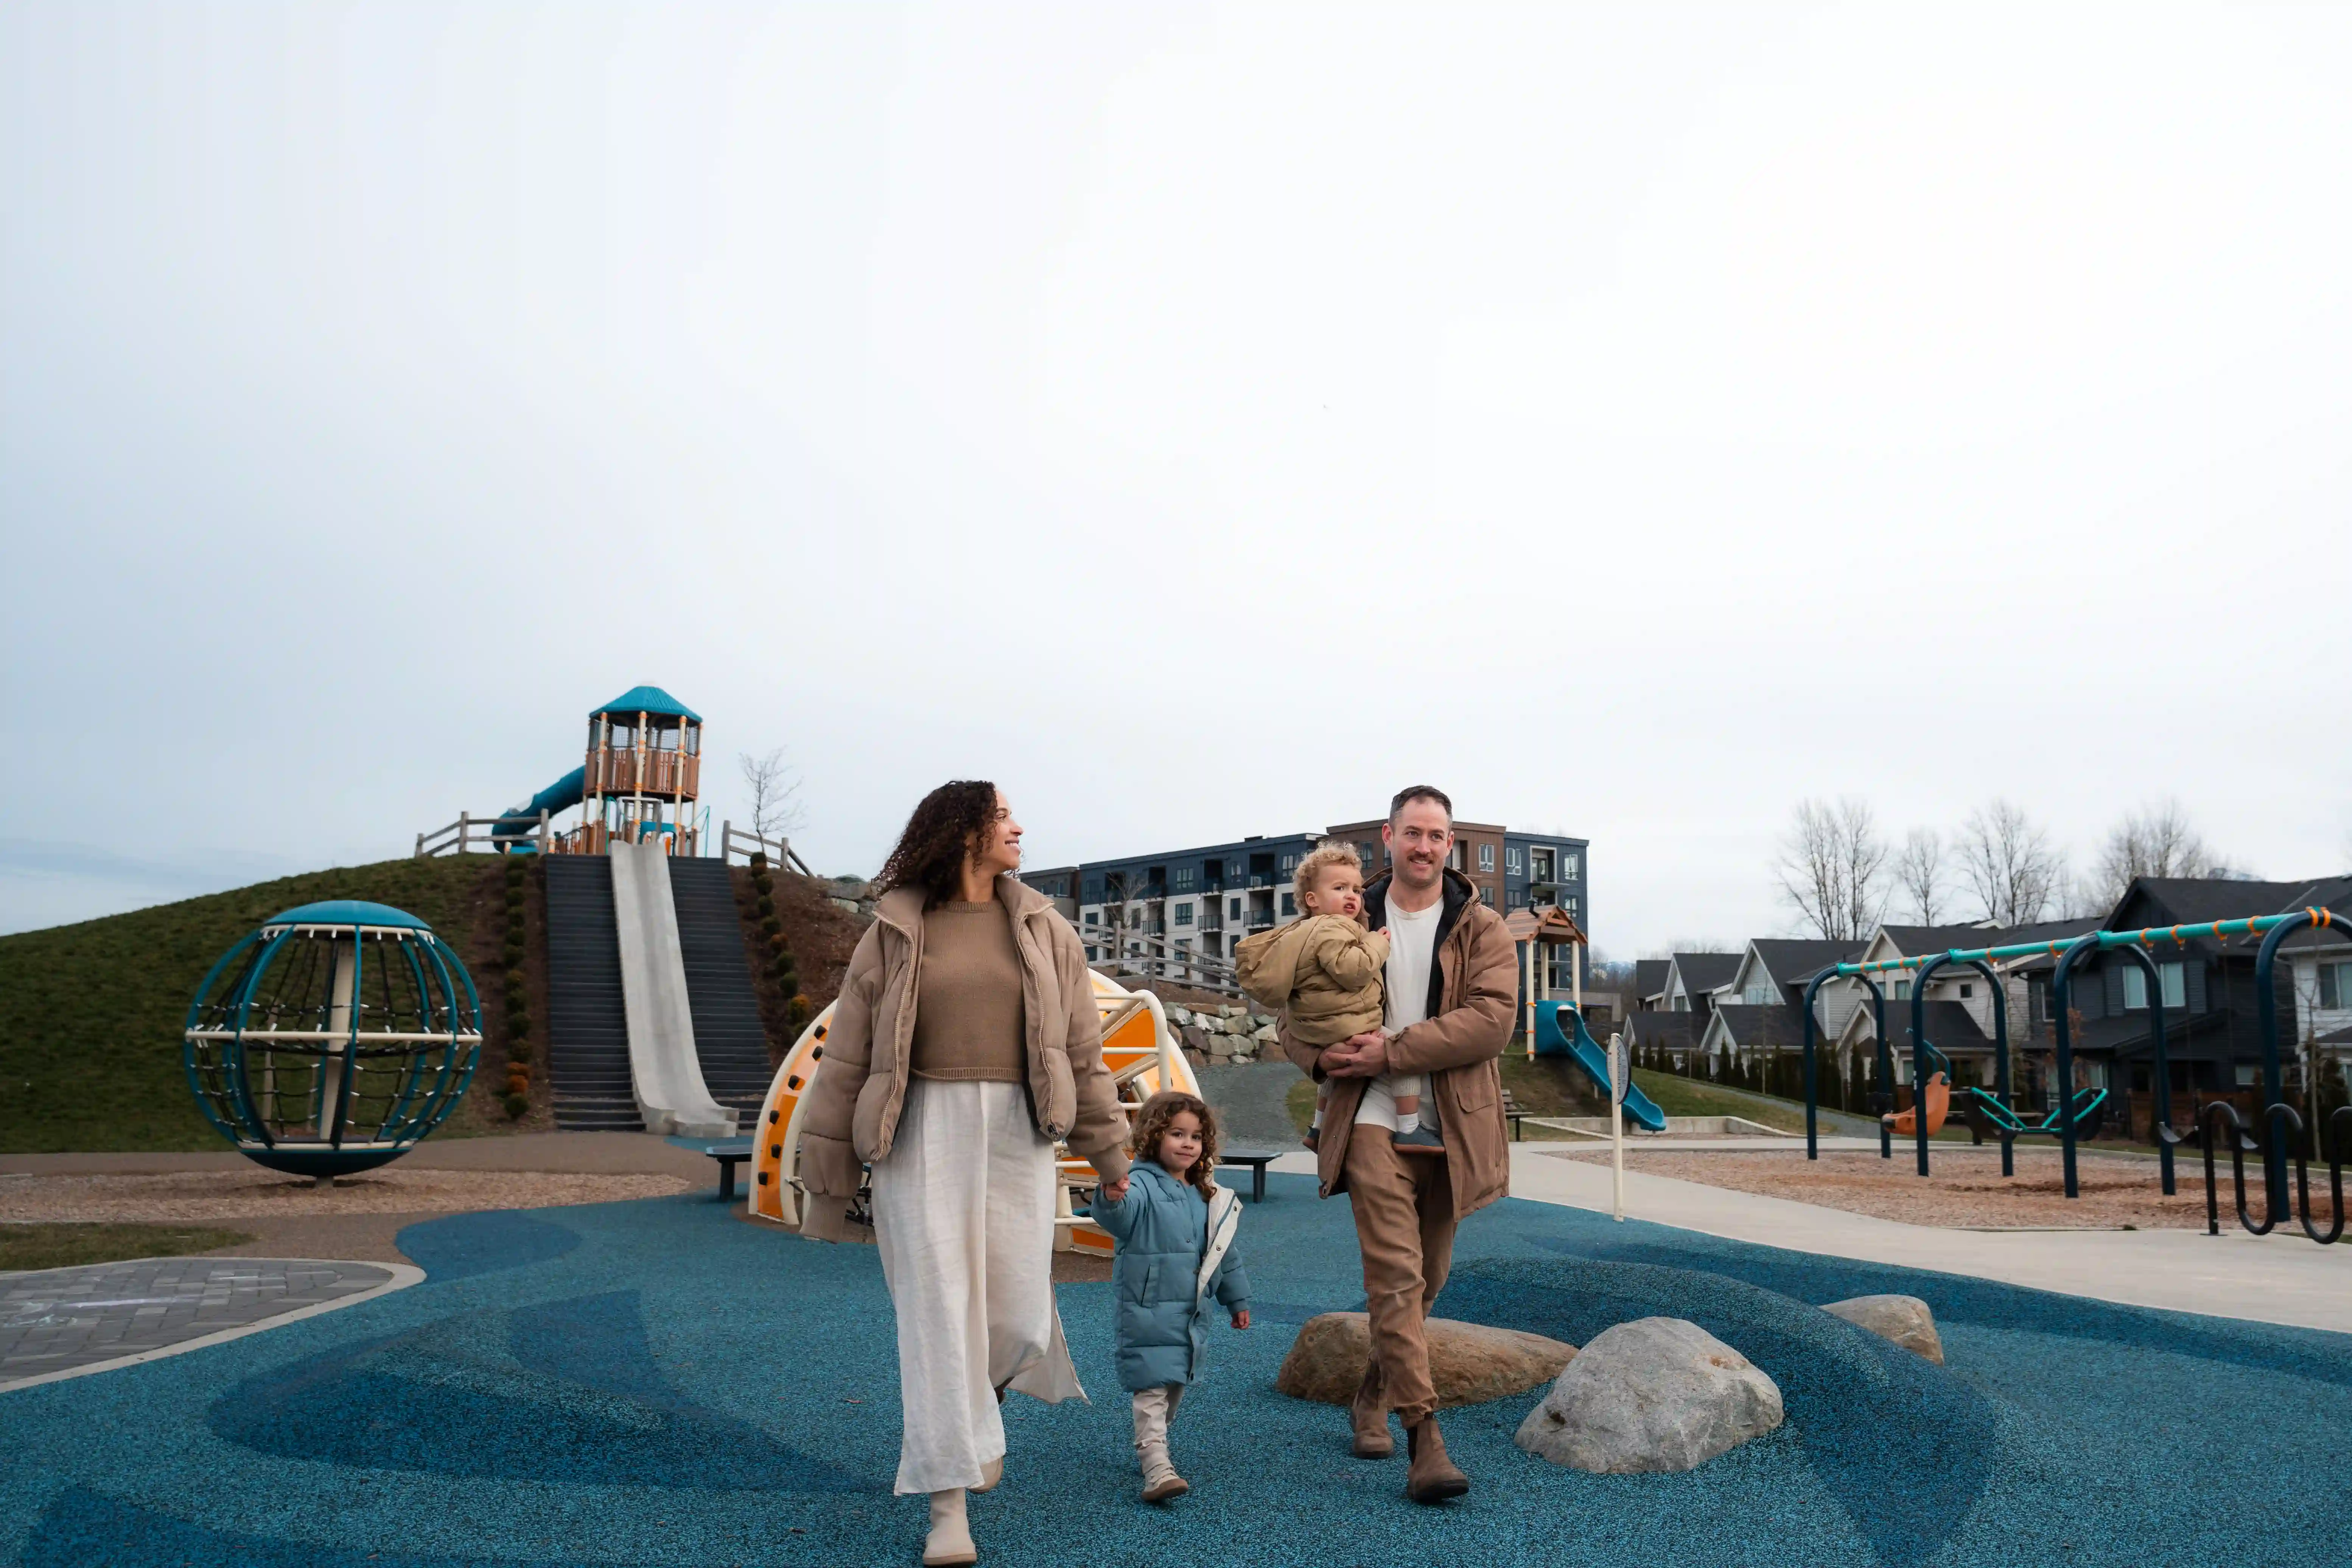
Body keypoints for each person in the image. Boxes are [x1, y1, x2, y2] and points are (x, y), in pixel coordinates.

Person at [797, 780, 1133, 1568]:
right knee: (937, 1316)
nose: (1019, 826)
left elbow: (1083, 1051)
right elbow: (847, 1055)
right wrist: (830, 1176)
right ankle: (948, 1506)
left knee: (1016, 1316)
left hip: (1020, 1130)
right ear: (963, 830)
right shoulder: (895, 928)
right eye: (1003, 815)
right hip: (920, 1133)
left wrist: (1112, 1153)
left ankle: (975, 1416)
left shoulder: (1045, 928)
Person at [1279, 785, 1516, 1504]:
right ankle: (1425, 1436)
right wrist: (1322, 1060)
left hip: (1448, 1122)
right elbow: (1294, 1016)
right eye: (1411, 832)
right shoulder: (1344, 913)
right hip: (1368, 1115)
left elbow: (1492, 1022)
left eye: (1436, 835)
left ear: (1451, 845)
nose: (1423, 845)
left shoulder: (1482, 928)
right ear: (1389, 836)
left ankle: (1373, 1392)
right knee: (1393, 1269)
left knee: (1430, 1273)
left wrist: (1394, 1050)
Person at [1088, 1090, 1252, 1503]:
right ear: (1153, 1136)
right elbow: (1120, 1218)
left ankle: (1154, 1444)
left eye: (1196, 1137)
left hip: (1191, 1311)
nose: (1187, 1143)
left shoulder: (1205, 1194)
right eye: (1177, 1133)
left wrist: (1238, 1299)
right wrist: (1111, 1196)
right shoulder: (1140, 1182)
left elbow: (1223, 1253)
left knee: (1174, 1383)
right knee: (1152, 1385)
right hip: (1147, 1306)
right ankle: (1156, 1464)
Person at [1235, 845, 1438, 1153]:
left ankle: (1318, 1127)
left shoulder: (1303, 932)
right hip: (1348, 1024)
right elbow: (1352, 970)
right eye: (1340, 888)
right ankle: (1411, 1129)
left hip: (1321, 1030)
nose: (1352, 896)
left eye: (1356, 889)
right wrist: (1376, 944)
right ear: (1312, 900)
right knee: (1403, 1059)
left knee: (1331, 1077)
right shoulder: (1333, 928)